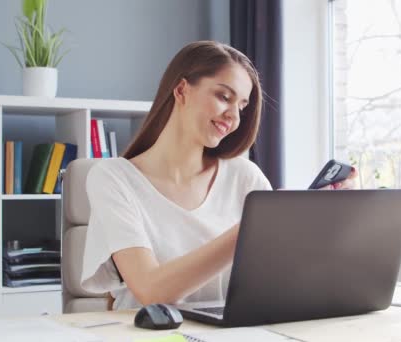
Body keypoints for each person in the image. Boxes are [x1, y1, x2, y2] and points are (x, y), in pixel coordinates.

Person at [80, 41, 356, 310]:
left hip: (229, 332)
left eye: (242, 106)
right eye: (224, 97)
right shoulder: (113, 178)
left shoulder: (244, 176)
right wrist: (254, 224)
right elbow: (151, 291)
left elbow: (285, 276)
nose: (233, 116)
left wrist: (328, 218)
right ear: (181, 89)